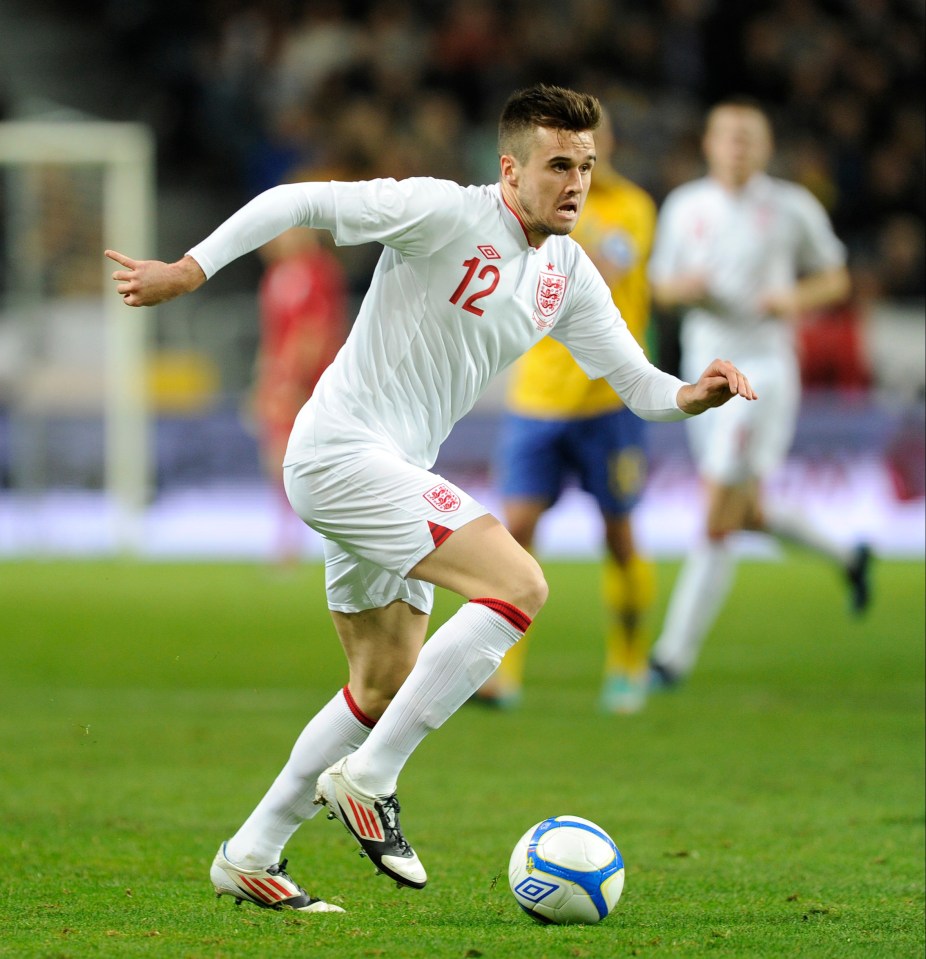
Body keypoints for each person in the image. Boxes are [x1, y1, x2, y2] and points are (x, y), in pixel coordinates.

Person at [105, 83, 756, 914]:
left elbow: (638, 384)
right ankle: (372, 779)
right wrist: (191, 268)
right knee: (519, 584)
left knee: (381, 683)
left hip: (392, 469)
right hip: (341, 450)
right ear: (509, 168)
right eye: (559, 164)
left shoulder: (566, 271)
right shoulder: (442, 212)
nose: (577, 183)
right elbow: (296, 197)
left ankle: (251, 850)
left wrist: (694, 392)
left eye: (587, 165)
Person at [646, 97, 870, 691]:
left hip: (763, 372)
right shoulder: (685, 205)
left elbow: (836, 275)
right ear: (709, 144)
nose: (738, 147)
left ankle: (671, 656)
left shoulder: (792, 206)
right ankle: (850, 559)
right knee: (746, 511)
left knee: (719, 506)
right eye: (728, 136)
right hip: (702, 370)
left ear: (766, 147)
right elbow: (659, 287)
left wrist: (793, 300)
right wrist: (683, 289)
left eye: (749, 137)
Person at [477, 110, 659, 714]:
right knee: (517, 534)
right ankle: (502, 672)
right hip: (538, 398)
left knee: (619, 536)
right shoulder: (527, 203)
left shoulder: (630, 207)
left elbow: (604, 271)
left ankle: (628, 662)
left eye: (590, 142)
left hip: (607, 400)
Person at [250, 226, 348, 563]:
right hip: (282, 381)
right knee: (278, 459)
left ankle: (315, 538)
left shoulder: (317, 271)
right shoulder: (276, 276)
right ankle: (288, 537)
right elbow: (273, 335)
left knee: (309, 460)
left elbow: (314, 332)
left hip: (312, 384)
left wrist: (293, 381)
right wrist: (264, 383)